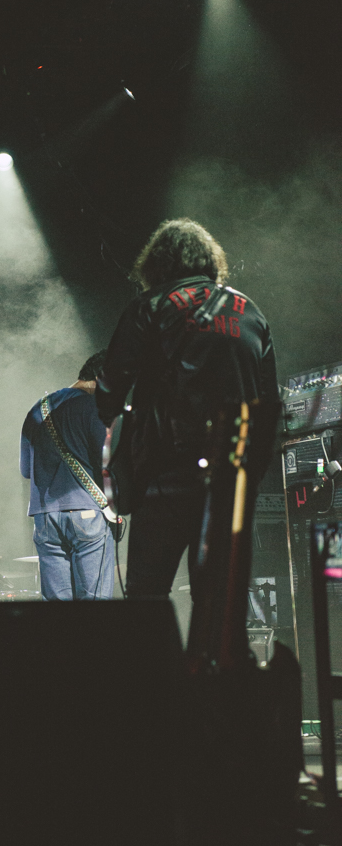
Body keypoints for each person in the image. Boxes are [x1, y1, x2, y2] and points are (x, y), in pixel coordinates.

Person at [95, 218, 278, 599]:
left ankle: (154, 661)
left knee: (147, 595)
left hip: (166, 472)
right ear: (210, 261)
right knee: (218, 601)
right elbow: (269, 408)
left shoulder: (149, 307)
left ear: (157, 264)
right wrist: (249, 474)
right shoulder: (252, 313)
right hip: (231, 476)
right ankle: (212, 660)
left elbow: (109, 391)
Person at [20, 351, 115, 600]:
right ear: (100, 377)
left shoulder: (37, 408)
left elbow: (25, 470)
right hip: (87, 513)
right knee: (94, 605)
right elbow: (107, 463)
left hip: (43, 516)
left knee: (55, 610)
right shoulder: (94, 407)